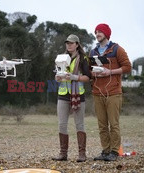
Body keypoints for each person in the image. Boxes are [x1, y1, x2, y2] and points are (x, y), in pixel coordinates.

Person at [89, 24, 132, 161]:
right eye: (96, 32)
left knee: (113, 124)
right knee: (102, 125)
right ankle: (105, 151)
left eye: (100, 31)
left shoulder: (117, 49)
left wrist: (110, 72)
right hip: (97, 92)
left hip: (113, 92)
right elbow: (89, 70)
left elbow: (127, 67)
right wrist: (94, 73)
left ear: (107, 33)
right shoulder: (93, 52)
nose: (97, 34)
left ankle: (114, 152)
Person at [52, 34, 91, 162]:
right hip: (63, 95)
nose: (69, 45)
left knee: (79, 125)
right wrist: (57, 78)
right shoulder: (61, 58)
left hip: (78, 95)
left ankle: (82, 154)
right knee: (62, 125)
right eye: (67, 43)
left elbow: (88, 77)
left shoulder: (83, 58)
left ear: (77, 44)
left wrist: (74, 77)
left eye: (71, 43)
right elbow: (57, 75)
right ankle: (63, 154)